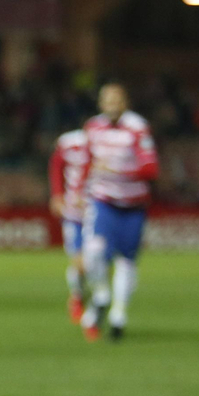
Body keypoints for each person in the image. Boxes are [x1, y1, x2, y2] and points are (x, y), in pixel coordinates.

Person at [79, 84, 158, 342]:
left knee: (126, 261)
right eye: (107, 100)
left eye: (117, 100)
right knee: (93, 251)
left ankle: (118, 316)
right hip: (103, 201)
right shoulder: (92, 127)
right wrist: (79, 193)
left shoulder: (137, 128)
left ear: (125, 102)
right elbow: (86, 163)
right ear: (101, 103)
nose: (112, 105)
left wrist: (118, 173)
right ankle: (101, 295)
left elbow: (150, 169)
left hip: (133, 205)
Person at [47, 128, 90, 323]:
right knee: (79, 262)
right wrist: (57, 195)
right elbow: (56, 165)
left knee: (99, 262)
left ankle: (93, 296)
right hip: (74, 213)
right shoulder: (71, 141)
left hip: (101, 211)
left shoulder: (114, 143)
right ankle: (77, 297)